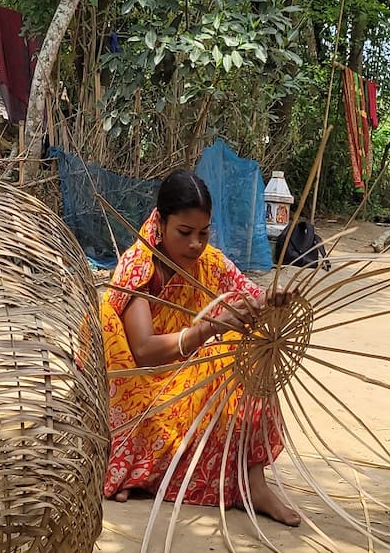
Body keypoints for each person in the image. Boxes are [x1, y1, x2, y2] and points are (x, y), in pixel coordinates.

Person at [101, 168, 301, 527]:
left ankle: (254, 483)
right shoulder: (138, 266)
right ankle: (143, 464)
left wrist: (273, 301)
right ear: (160, 224)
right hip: (142, 393)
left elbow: (249, 299)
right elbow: (144, 351)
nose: (196, 244)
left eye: (204, 233)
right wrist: (208, 329)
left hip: (187, 382)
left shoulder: (209, 262)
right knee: (223, 350)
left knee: (249, 347)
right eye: (185, 233)